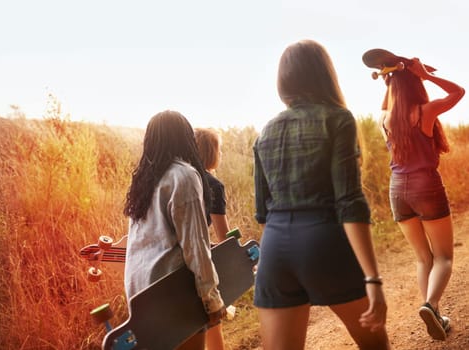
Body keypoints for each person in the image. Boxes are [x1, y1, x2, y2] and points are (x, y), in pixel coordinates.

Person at [253, 39, 391, 350]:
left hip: (274, 248)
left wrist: (271, 259)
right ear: (324, 74)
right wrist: (372, 279)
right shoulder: (337, 118)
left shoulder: (266, 130)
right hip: (323, 240)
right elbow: (349, 202)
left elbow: (263, 210)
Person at [377, 57, 464, 341]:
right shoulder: (424, 112)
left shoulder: (385, 119)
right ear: (416, 86)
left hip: (397, 191)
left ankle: (435, 315)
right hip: (425, 186)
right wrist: (425, 74)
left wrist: (391, 77)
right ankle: (431, 305)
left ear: (391, 89)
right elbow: (459, 92)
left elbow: (385, 104)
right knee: (444, 257)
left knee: (423, 258)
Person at [123, 110, 227, 350]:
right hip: (172, 290)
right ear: (184, 138)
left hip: (139, 291)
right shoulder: (184, 175)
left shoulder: (143, 180)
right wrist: (212, 299)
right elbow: (195, 245)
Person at [194, 127, 231, 350]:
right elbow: (225, 238)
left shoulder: (173, 178)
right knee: (212, 321)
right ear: (211, 152)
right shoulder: (213, 185)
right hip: (196, 265)